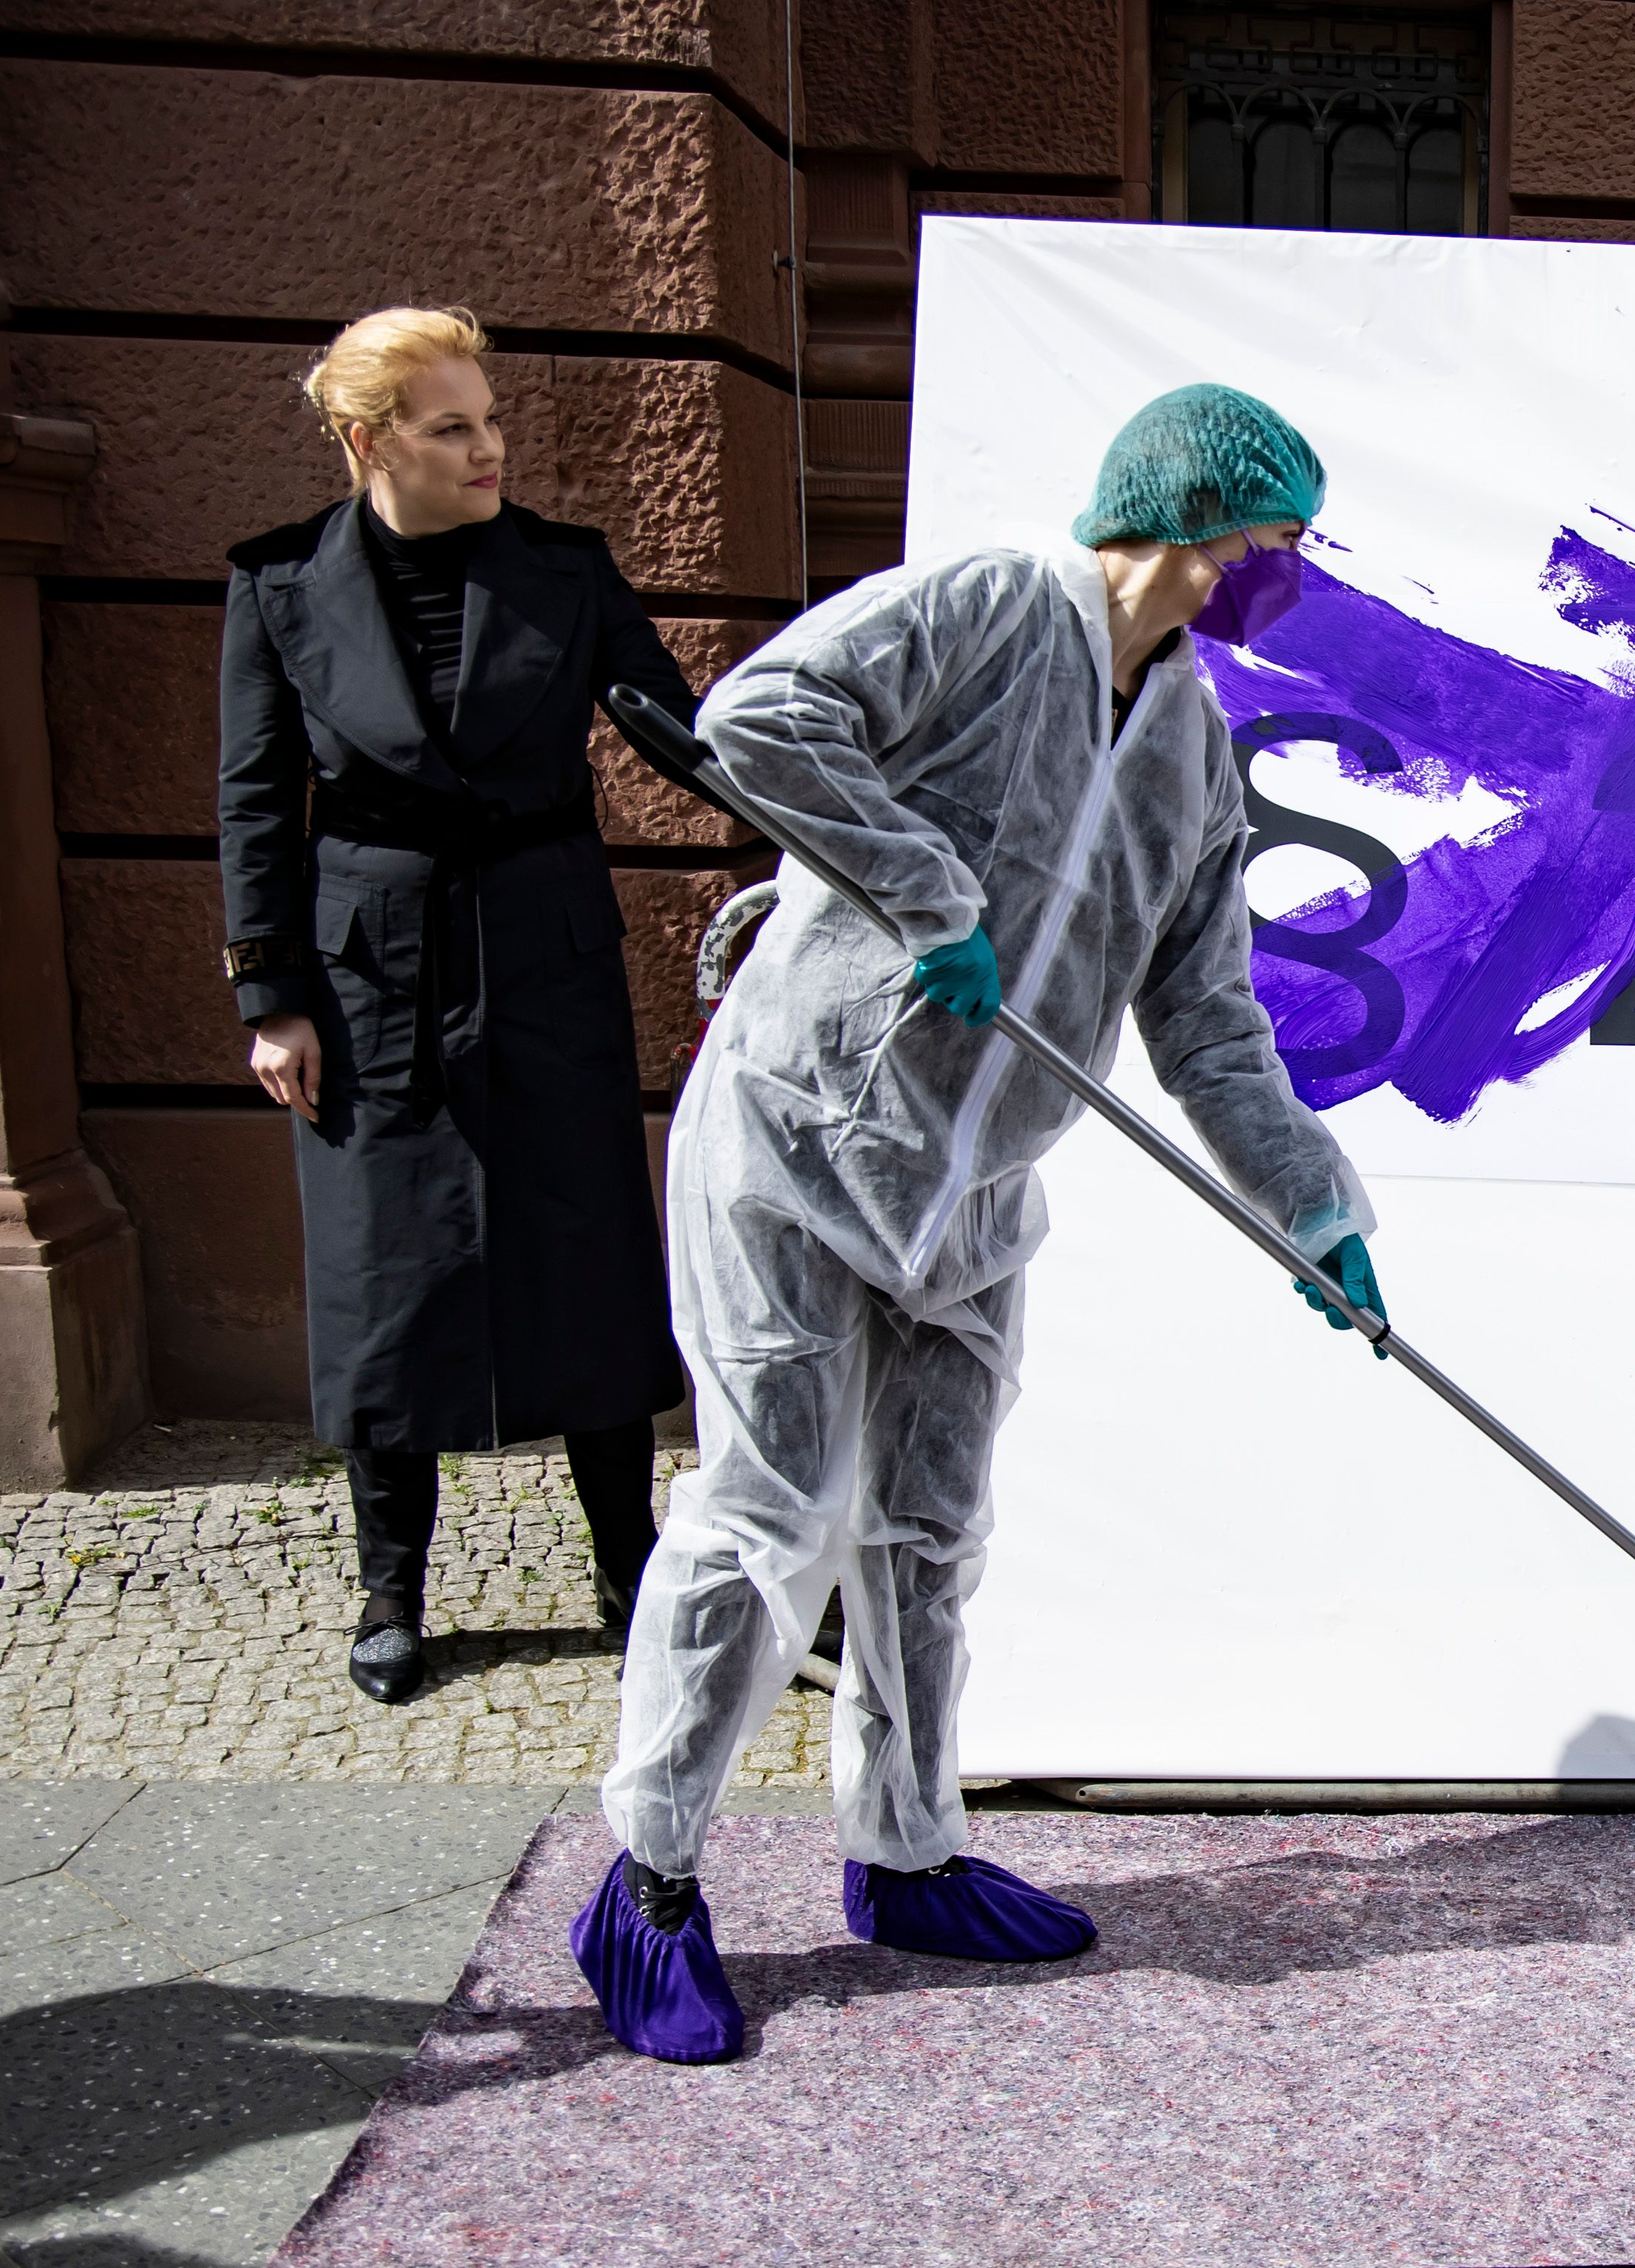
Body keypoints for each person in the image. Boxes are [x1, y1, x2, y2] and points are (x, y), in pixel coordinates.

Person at [574, 385, 1382, 2062]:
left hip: (975, 1195)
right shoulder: (994, 604)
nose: (1289, 576)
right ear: (1190, 522)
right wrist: (924, 890)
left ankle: (908, 1851)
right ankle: (647, 1884)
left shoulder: (1193, 753)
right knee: (769, 1515)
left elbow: (1209, 1023)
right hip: (800, 1139)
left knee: (929, 1535)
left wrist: (1313, 1209)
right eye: (1279, 542)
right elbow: (760, 715)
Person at [218, 307, 695, 1706]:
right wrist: (273, 996)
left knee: (587, 1250)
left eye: (490, 420)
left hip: (546, 948)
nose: (489, 449)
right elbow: (257, 802)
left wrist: (827, 817)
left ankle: (631, 1567)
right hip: (367, 971)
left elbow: (678, 731)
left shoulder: (567, 570)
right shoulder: (278, 585)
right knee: (384, 1275)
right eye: (451, 428)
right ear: (370, 442)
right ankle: (391, 1591)